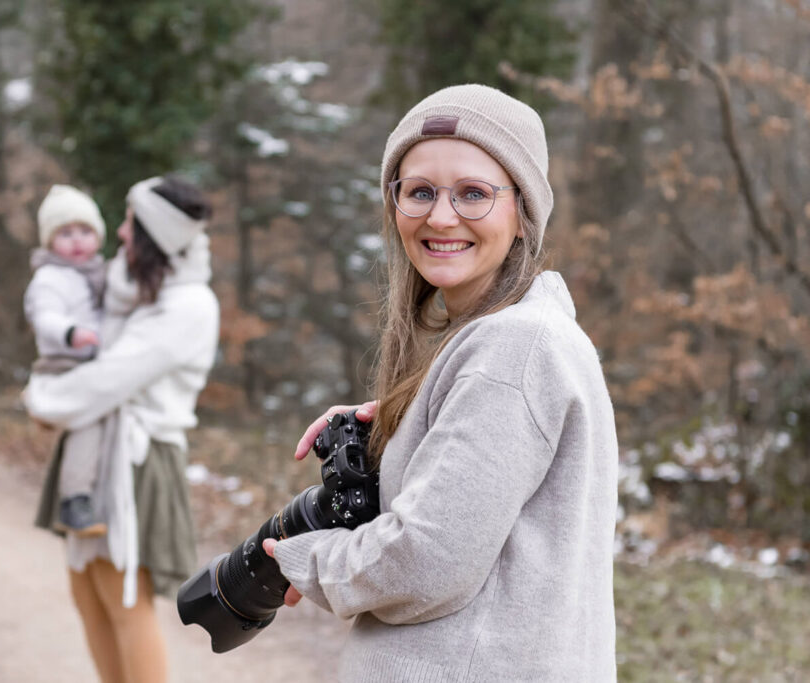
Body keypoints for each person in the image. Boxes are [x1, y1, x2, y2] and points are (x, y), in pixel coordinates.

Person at [264, 84, 619, 681]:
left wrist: (302, 559)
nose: (441, 216)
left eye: (474, 194)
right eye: (419, 191)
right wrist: (417, 419)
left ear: (522, 211)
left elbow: (427, 563)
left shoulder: (514, 349)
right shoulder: (519, 339)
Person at [23, 176, 219, 683]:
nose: (120, 233)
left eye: (131, 223)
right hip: (99, 447)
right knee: (87, 596)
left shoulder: (188, 305)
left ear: (155, 235)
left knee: (122, 601)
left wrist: (40, 398)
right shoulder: (132, 289)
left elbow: (107, 380)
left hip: (138, 459)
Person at [24, 184, 108, 536]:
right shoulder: (49, 277)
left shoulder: (98, 273)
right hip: (62, 364)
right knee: (88, 422)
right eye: (66, 233)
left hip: (91, 362)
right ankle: (74, 499)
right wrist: (70, 331)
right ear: (49, 241)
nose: (77, 240)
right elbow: (43, 316)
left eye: (85, 231)